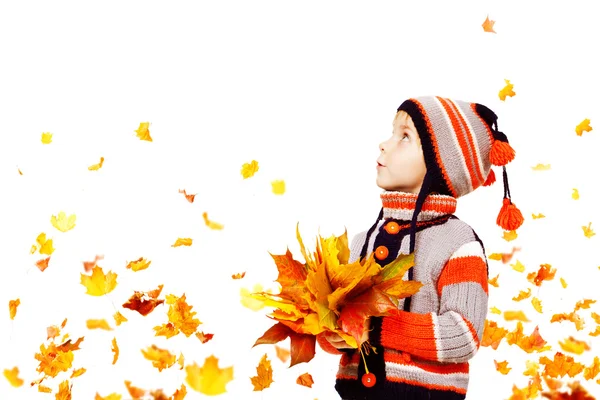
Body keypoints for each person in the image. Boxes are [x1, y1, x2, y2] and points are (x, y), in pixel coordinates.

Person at [316, 96, 524, 400]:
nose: (384, 144)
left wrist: (376, 327)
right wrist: (328, 331)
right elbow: (338, 332)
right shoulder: (361, 241)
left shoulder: (458, 243)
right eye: (391, 132)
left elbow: (464, 334)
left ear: (441, 166)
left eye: (404, 137)